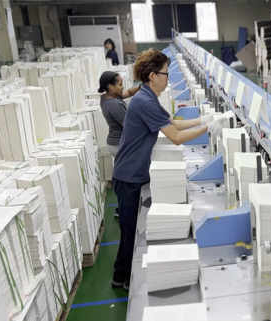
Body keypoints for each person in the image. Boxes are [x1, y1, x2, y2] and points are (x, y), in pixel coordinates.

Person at [110, 48, 228, 291]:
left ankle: (120, 274)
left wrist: (205, 120)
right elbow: (175, 136)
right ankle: (121, 277)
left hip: (132, 172)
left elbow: (173, 122)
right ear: (153, 75)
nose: (168, 77)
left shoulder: (148, 97)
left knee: (130, 230)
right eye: (165, 73)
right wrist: (208, 130)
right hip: (128, 175)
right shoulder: (144, 101)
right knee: (129, 233)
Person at [98, 71, 141, 218]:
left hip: (115, 143)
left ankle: (122, 207)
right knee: (128, 179)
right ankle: (123, 209)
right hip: (119, 145)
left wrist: (142, 88)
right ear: (111, 86)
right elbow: (129, 126)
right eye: (120, 84)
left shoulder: (106, 98)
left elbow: (128, 93)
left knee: (123, 176)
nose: (123, 87)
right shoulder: (114, 105)